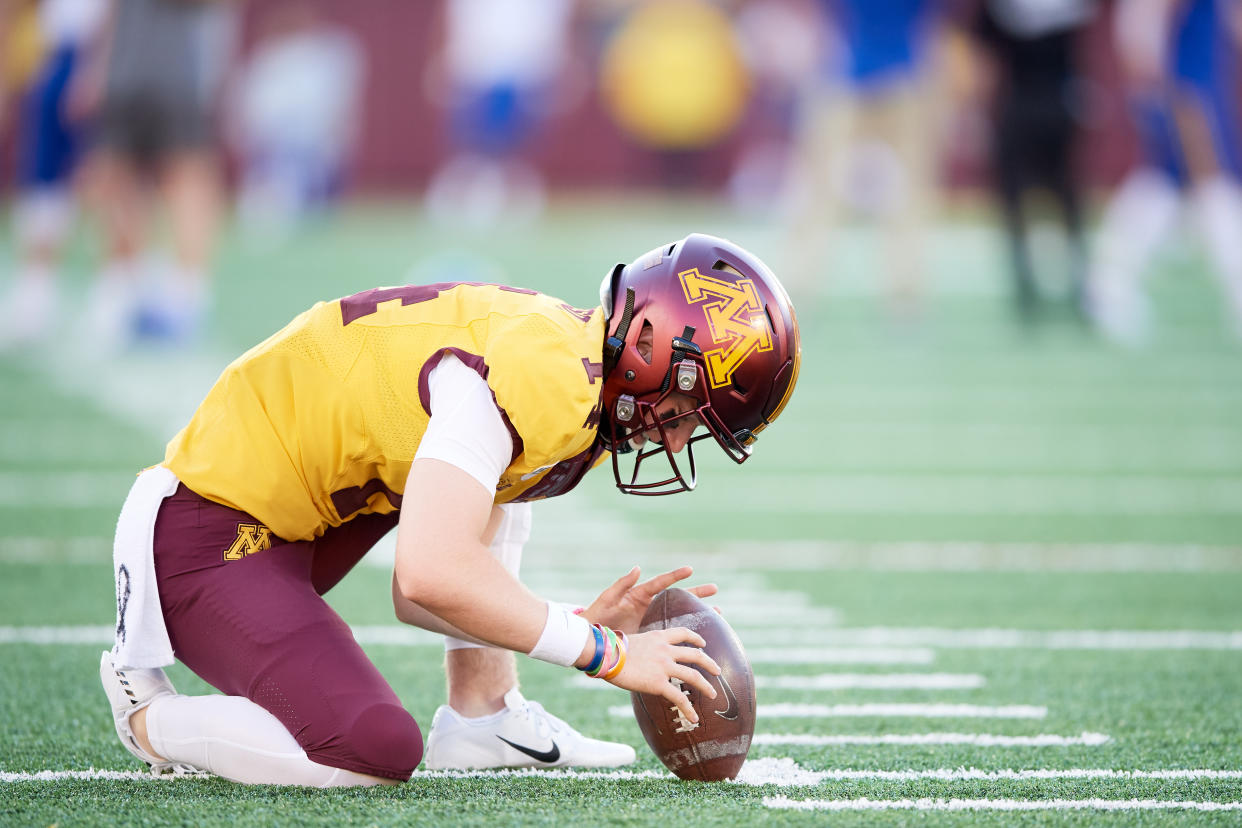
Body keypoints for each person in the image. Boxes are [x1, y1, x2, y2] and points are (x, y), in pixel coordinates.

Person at [99, 233, 802, 785]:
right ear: (651, 341)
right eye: (686, 411)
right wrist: (607, 653)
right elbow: (432, 573)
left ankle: (483, 713)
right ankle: (149, 714)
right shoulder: (545, 378)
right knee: (370, 750)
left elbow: (427, 583)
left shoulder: (569, 366)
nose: (678, 436)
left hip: (289, 523)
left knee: (502, 484)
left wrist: (568, 623)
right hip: (206, 531)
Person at [1086, 0, 1242, 344]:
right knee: (1211, 182)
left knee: (1167, 183)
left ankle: (1107, 284)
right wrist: (1147, 79)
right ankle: (1108, 286)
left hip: (1202, 80)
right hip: (1187, 86)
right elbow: (1144, 13)